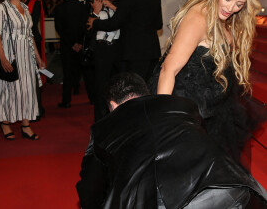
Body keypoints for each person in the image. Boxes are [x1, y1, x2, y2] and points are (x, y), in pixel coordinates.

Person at [76, 72, 267, 209]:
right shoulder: (183, 105)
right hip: (229, 186)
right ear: (146, 94)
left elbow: (90, 190)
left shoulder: (104, 128)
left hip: (172, 201)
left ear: (112, 105)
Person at [157, 0, 262, 164]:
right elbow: (169, 69)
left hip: (216, 108)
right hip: (192, 110)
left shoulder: (225, 18)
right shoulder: (199, 18)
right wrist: (163, 121)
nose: (231, 8)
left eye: (239, 4)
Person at [88, 0, 162, 82]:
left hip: (134, 53)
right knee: (149, 88)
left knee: (135, 89)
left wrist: (95, 22)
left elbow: (115, 23)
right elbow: (158, 24)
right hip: (152, 51)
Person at [0, 0, 44, 140]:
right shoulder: (1, 8)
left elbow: (30, 35)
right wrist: (2, 58)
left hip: (27, 56)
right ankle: (5, 122)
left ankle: (26, 125)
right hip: (10, 55)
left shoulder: (26, 8)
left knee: (27, 90)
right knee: (8, 90)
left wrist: (38, 57)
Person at [91, 0, 121, 121]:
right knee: (101, 88)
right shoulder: (93, 4)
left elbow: (124, 20)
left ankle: (116, 118)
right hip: (102, 50)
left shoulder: (119, 6)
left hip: (117, 49)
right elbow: (88, 27)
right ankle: (101, 121)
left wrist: (113, 7)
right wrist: (96, 11)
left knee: (117, 88)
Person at [55, 0, 86, 108]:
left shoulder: (59, 8)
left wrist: (72, 43)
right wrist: (79, 42)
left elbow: (59, 29)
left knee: (67, 72)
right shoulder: (83, 7)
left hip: (67, 46)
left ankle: (66, 100)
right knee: (82, 69)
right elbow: (85, 26)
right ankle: (88, 96)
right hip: (80, 45)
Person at [22, 0, 46, 119]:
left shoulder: (35, 2)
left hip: (32, 42)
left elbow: (33, 23)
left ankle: (36, 109)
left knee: (33, 77)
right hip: (20, 43)